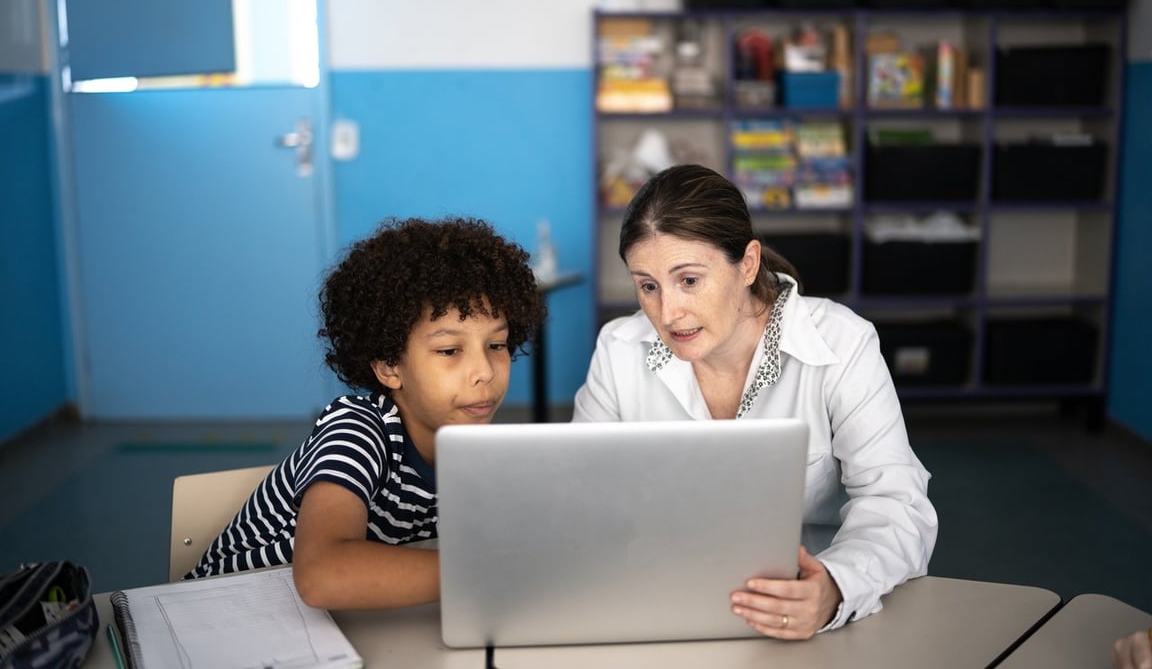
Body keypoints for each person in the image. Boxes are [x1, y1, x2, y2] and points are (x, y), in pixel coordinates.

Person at [574, 164, 938, 640]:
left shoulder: (841, 344)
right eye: (648, 286)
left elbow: (897, 503)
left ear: (747, 264)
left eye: (688, 280)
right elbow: (582, 501)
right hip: (663, 601)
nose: (667, 312)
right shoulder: (619, 351)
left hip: (804, 611)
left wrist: (834, 587)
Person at [186, 217, 544, 609]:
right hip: (220, 613)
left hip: (333, 627)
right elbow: (323, 572)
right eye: (449, 351)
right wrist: (490, 576)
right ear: (389, 366)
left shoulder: (474, 453)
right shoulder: (357, 428)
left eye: (497, 345)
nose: (485, 372)